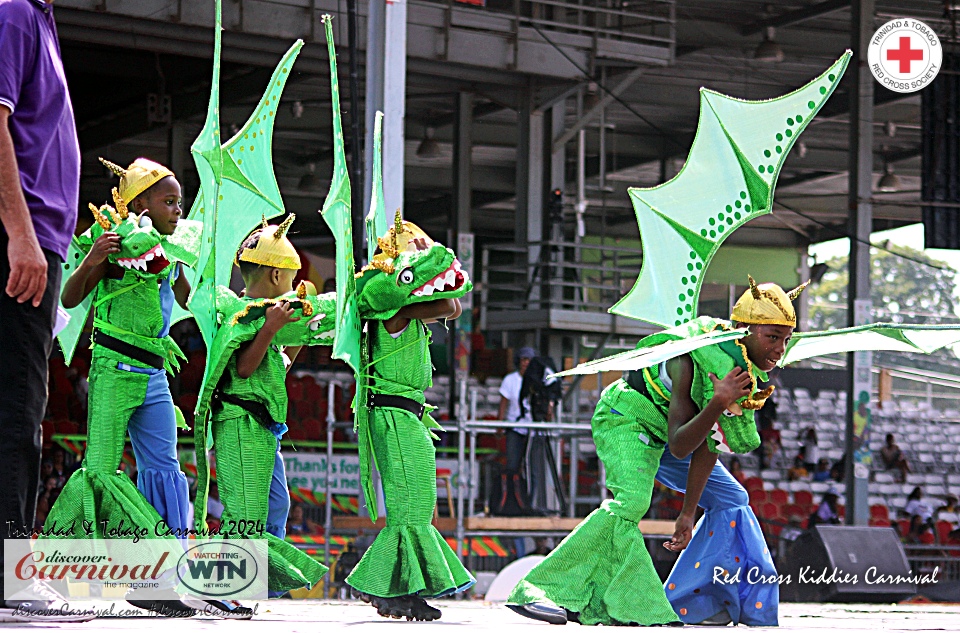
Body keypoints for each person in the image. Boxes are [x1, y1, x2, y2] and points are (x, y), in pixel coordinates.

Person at [508, 276, 803, 626]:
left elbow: (709, 445)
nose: (779, 349)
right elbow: (680, 446)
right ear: (743, 329)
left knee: (732, 499)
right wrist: (718, 402)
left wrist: (688, 513)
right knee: (631, 503)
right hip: (627, 419)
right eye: (771, 337)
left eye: (785, 340)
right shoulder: (689, 358)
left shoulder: (744, 376)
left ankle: (696, 602)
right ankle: (541, 590)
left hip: (669, 437)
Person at [43, 157, 211, 618]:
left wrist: (177, 266)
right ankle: (64, 571)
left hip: (154, 374)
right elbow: (70, 297)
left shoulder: (168, 250)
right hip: (114, 369)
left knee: (164, 469)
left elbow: (180, 299)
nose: (179, 209)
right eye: (169, 201)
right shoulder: (113, 246)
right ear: (139, 203)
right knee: (99, 470)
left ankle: (160, 578)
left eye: (180, 202)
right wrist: (95, 259)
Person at [0, 0, 92, 622]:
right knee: (14, 411)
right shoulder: (12, 11)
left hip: (40, 241)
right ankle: (10, 575)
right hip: (21, 242)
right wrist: (20, 232)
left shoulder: (40, 19)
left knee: (20, 408)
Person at [192, 216, 330, 598]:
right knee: (244, 513)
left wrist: (298, 332)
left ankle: (254, 583)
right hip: (240, 422)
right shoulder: (241, 314)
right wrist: (270, 328)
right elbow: (243, 368)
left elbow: (279, 366)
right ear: (274, 277)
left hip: (265, 427)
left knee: (275, 506)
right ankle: (221, 589)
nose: (289, 285)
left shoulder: (269, 318)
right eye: (289, 277)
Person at [345, 217, 475, 621]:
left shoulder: (408, 311)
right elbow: (451, 303)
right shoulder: (393, 310)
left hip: (408, 414)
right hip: (392, 412)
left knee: (416, 506)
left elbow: (452, 304)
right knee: (409, 508)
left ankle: (401, 588)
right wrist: (420, 266)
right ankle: (381, 587)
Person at [497, 346, 536, 514]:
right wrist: (500, 424)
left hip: (534, 429)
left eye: (529, 360)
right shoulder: (510, 379)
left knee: (532, 468)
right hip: (514, 426)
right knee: (512, 464)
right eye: (524, 359)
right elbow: (503, 404)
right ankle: (512, 502)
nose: (526, 363)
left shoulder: (537, 378)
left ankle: (530, 503)